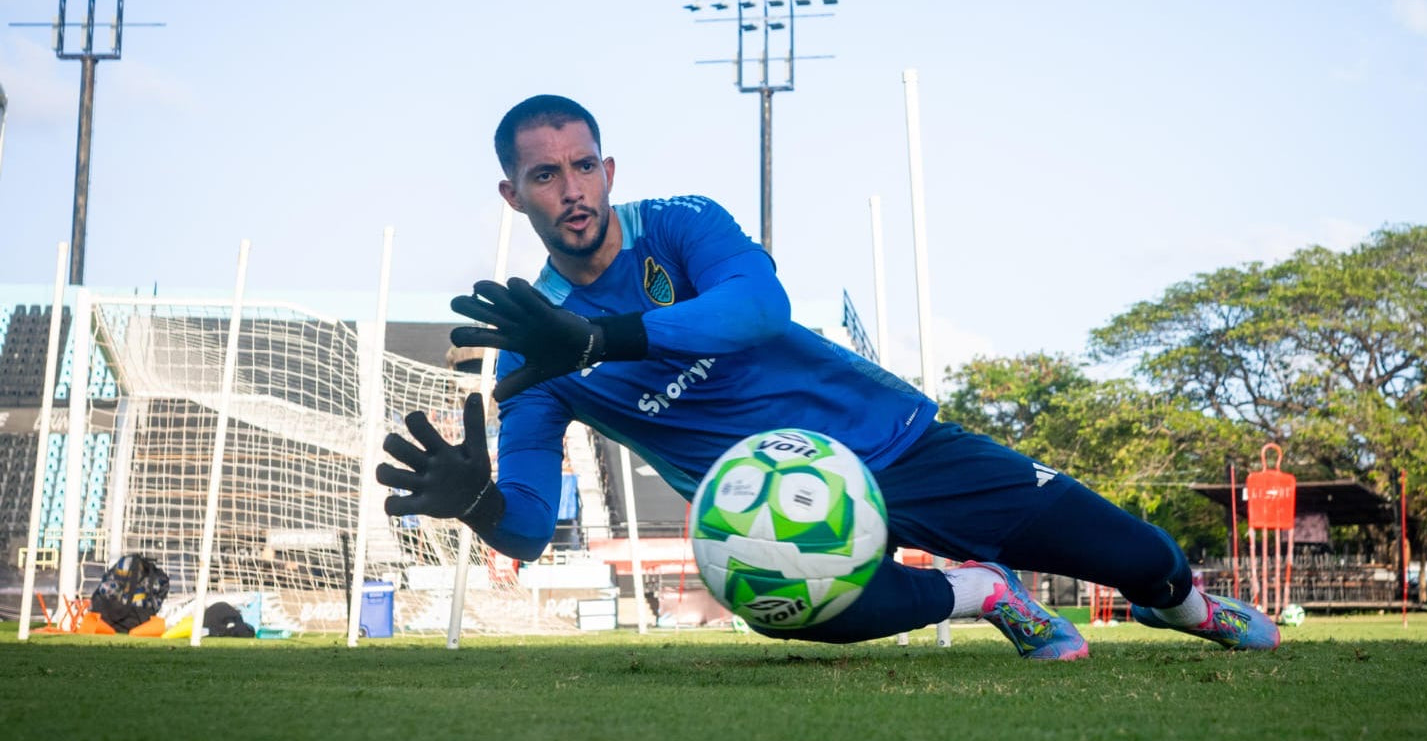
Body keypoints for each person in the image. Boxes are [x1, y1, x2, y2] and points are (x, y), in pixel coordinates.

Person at [375, 94, 1280, 659]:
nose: (570, 189)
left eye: (582, 166)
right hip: (771, 504)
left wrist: (603, 339)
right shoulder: (534, 348)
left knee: (1135, 556)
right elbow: (530, 532)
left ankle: (1189, 606)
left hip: (896, 440)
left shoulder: (679, 223)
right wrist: (479, 504)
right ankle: (985, 592)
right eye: (544, 174)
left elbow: (758, 310)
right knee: (780, 607)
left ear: (608, 169)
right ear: (513, 195)